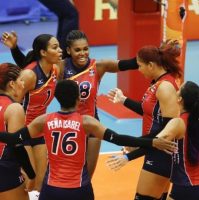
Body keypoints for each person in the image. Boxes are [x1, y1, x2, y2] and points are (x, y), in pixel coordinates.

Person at [0, 79, 177, 200]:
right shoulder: (86, 122)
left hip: (51, 188)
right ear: (78, 99)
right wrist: (151, 142)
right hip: (79, 188)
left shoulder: (43, 120)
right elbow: (119, 138)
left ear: (57, 98)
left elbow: (14, 138)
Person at [1, 29, 139, 178]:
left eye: (86, 49)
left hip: (92, 124)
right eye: (77, 50)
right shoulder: (59, 66)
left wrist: (157, 56)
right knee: (63, 174)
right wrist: (14, 48)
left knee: (86, 176)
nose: (83, 53)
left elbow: (130, 64)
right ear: (69, 50)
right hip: (67, 125)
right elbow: (34, 67)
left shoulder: (99, 66)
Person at [106, 43, 182, 199]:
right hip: (154, 148)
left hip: (161, 154)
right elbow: (149, 111)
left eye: (140, 66)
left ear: (151, 65)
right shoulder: (157, 83)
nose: (138, 70)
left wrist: (132, 152)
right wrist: (123, 100)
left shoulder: (165, 87)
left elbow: (167, 134)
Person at [1, 33, 63, 192]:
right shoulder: (29, 75)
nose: (60, 51)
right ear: (43, 52)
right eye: (55, 47)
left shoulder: (55, 69)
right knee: (28, 180)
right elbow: (13, 101)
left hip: (39, 131)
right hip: (23, 131)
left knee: (40, 182)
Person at [156, 81, 199, 200]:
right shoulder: (195, 121)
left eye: (178, 89)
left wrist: (130, 151)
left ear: (180, 99)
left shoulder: (178, 122)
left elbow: (155, 141)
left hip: (185, 185)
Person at [0, 63, 35, 200]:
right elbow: (17, 147)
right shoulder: (14, 108)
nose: (24, 84)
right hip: (5, 170)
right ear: (12, 84)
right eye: (21, 80)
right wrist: (30, 174)